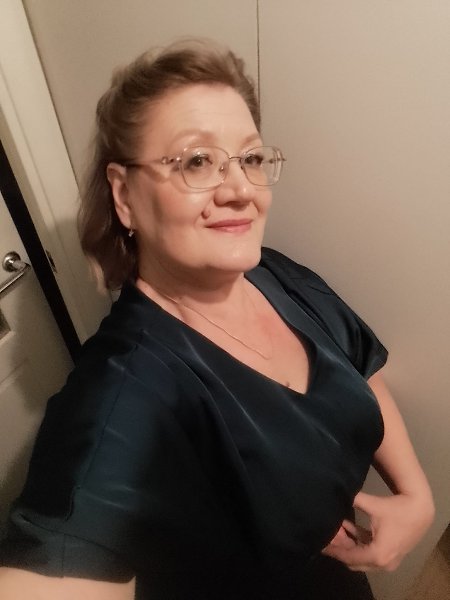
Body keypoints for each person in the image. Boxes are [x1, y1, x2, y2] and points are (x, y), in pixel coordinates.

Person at [0, 39, 434, 600]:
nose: (241, 190)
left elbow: (360, 366)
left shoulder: (273, 274)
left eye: (250, 159)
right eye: (196, 161)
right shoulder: (123, 396)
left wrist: (415, 495)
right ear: (124, 195)